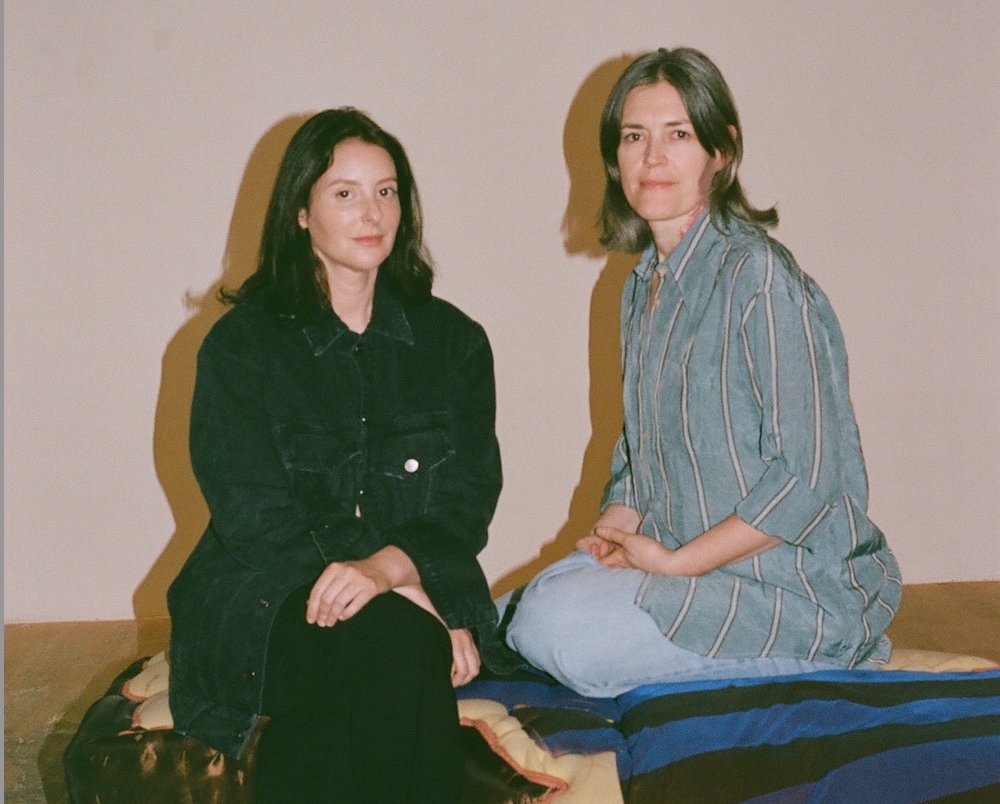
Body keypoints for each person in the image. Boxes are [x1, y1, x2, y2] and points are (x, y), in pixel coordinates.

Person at [505, 47, 902, 698]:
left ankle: (834, 654)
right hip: (684, 566)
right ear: (615, 157)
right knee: (527, 608)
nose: (653, 158)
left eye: (678, 134)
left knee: (555, 629)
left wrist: (677, 563)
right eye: (635, 137)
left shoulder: (760, 277)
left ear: (721, 150)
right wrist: (614, 530)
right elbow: (642, 451)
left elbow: (808, 480)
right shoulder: (642, 288)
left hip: (788, 587)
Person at [166, 107, 503, 803]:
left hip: (401, 592)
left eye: (386, 190)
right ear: (299, 211)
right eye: (344, 192)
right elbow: (252, 513)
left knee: (374, 667)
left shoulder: (455, 344)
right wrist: (407, 590)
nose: (371, 211)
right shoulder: (242, 347)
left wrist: (389, 573)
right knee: (400, 646)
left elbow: (466, 501)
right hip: (269, 591)